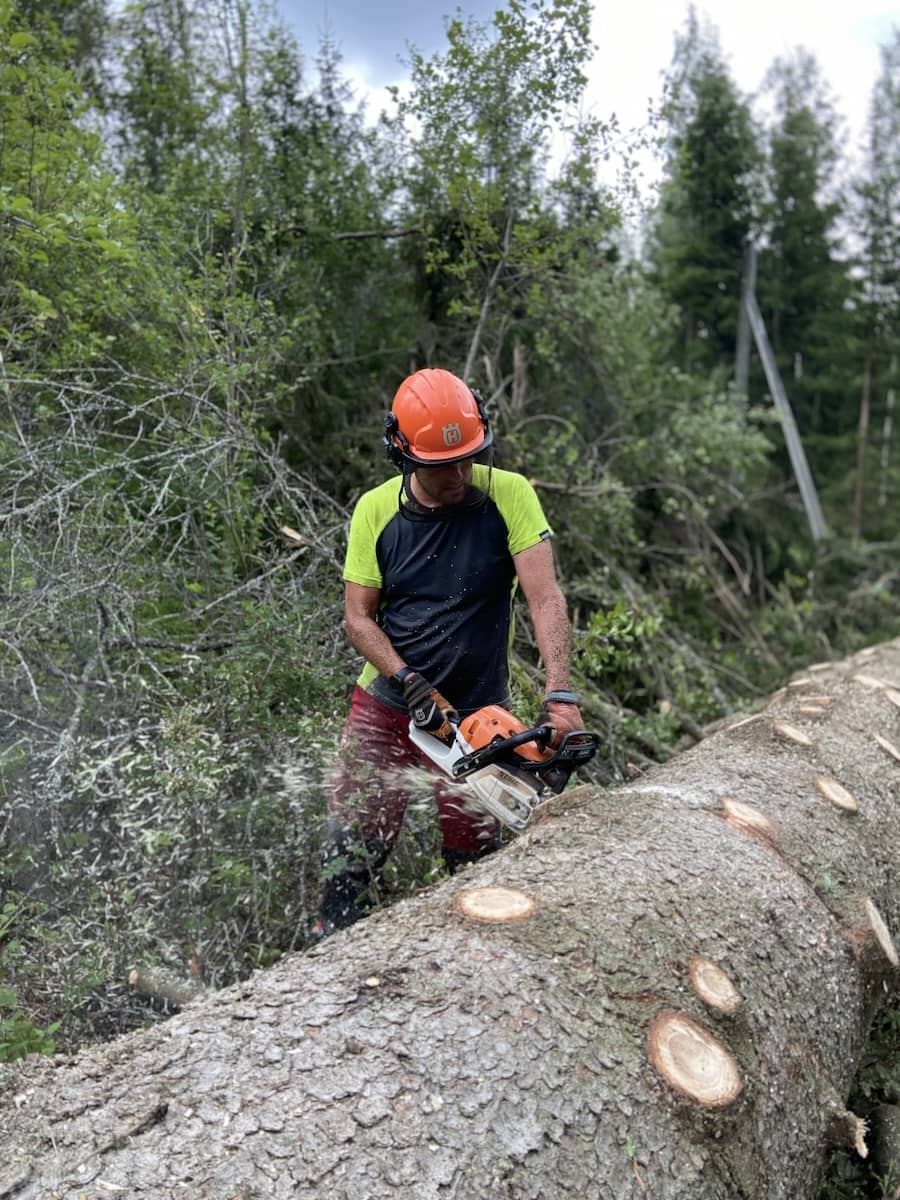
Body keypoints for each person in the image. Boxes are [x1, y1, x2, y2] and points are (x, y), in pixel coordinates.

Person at [310, 367, 584, 940]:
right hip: (387, 707)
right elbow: (358, 619)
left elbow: (545, 596)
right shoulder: (376, 513)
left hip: (480, 713)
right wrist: (410, 681)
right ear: (406, 457)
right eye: (442, 466)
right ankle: (328, 954)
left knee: (476, 862)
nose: (459, 473)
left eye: (469, 458)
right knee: (350, 856)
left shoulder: (510, 495)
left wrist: (559, 693)